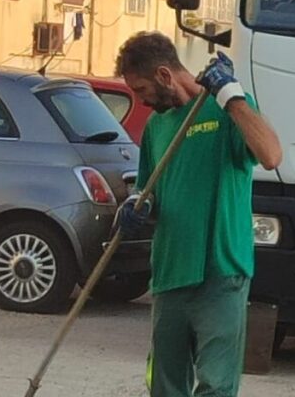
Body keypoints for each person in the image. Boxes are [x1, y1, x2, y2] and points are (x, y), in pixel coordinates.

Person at [114, 32, 282, 397]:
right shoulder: (157, 127)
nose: (141, 100)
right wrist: (135, 207)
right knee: (165, 386)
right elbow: (147, 191)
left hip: (221, 272)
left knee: (216, 386)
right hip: (171, 273)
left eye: (141, 89)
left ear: (163, 75)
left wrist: (231, 95)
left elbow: (270, 155)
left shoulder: (226, 110)